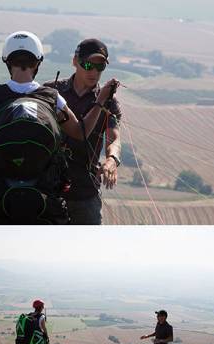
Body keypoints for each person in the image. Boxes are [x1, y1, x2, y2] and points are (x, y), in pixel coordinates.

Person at [0, 31, 119, 224]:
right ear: (38, 62)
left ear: (7, 61)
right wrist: (101, 100)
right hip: (44, 198)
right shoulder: (51, 97)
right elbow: (80, 132)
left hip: (0, 198)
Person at [44, 38, 123, 224]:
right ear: (74, 61)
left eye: (100, 66)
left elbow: (114, 137)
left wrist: (112, 159)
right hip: (47, 190)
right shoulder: (50, 91)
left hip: (84, 193)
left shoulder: (109, 101)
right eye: (88, 64)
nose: (93, 71)